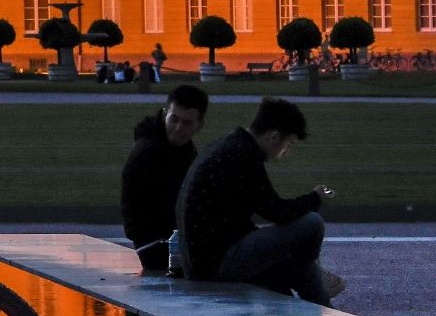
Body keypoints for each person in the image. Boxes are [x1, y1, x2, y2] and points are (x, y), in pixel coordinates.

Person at [176, 97, 338, 304]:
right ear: (274, 137)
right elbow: (276, 211)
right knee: (311, 225)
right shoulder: (244, 154)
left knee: (289, 268)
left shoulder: (229, 145)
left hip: (201, 260)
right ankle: (315, 284)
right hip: (215, 264)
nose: (287, 151)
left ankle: (311, 289)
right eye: (288, 144)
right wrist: (316, 198)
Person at [120, 82, 209, 276]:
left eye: (187, 123)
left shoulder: (179, 150)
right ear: (164, 113)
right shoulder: (151, 152)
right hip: (157, 247)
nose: (178, 128)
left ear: (200, 125)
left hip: (165, 240)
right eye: (174, 119)